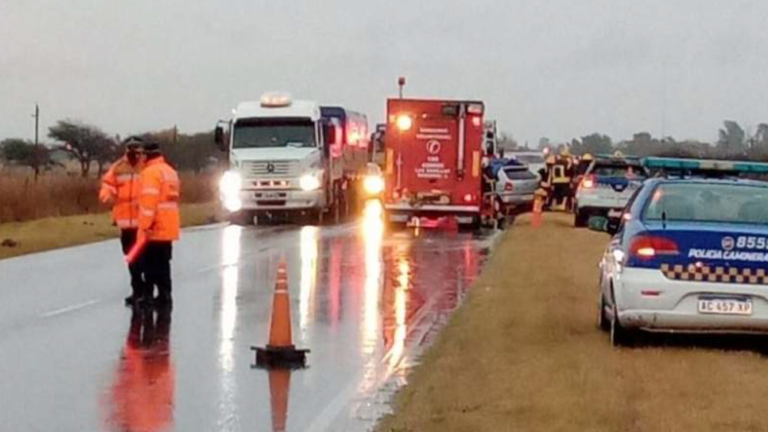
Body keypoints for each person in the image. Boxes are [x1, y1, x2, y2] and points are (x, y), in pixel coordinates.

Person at [100, 137, 146, 306]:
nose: (134, 154)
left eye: (137, 151)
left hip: (143, 222)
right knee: (131, 258)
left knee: (142, 259)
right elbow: (107, 184)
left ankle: (143, 291)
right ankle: (137, 290)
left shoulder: (146, 166)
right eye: (131, 151)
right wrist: (108, 194)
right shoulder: (118, 167)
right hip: (125, 222)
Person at [137, 142, 180, 307]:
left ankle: (148, 296)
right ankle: (165, 295)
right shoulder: (170, 171)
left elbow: (149, 203)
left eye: (142, 154)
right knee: (163, 264)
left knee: (149, 264)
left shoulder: (150, 173)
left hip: (154, 228)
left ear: (147, 155)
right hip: (168, 227)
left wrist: (145, 226)